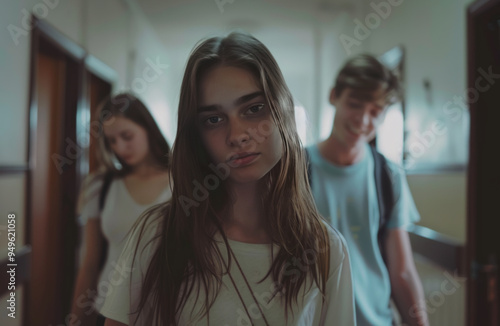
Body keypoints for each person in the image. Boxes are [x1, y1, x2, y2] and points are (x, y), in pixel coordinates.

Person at [101, 32, 356, 326]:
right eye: (213, 119)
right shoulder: (157, 234)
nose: (237, 136)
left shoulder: (325, 249)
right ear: (197, 136)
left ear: (283, 111)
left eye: (253, 109)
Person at [306, 54, 428, 326]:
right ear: (333, 96)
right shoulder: (295, 172)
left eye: (375, 111)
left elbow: (403, 272)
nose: (363, 119)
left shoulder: (388, 176)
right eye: (355, 104)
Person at [71, 93, 172, 326]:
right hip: (108, 310)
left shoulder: (183, 183)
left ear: (148, 128)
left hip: (164, 312)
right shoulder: (100, 186)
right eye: (112, 141)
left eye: (127, 136)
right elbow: (90, 261)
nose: (120, 147)